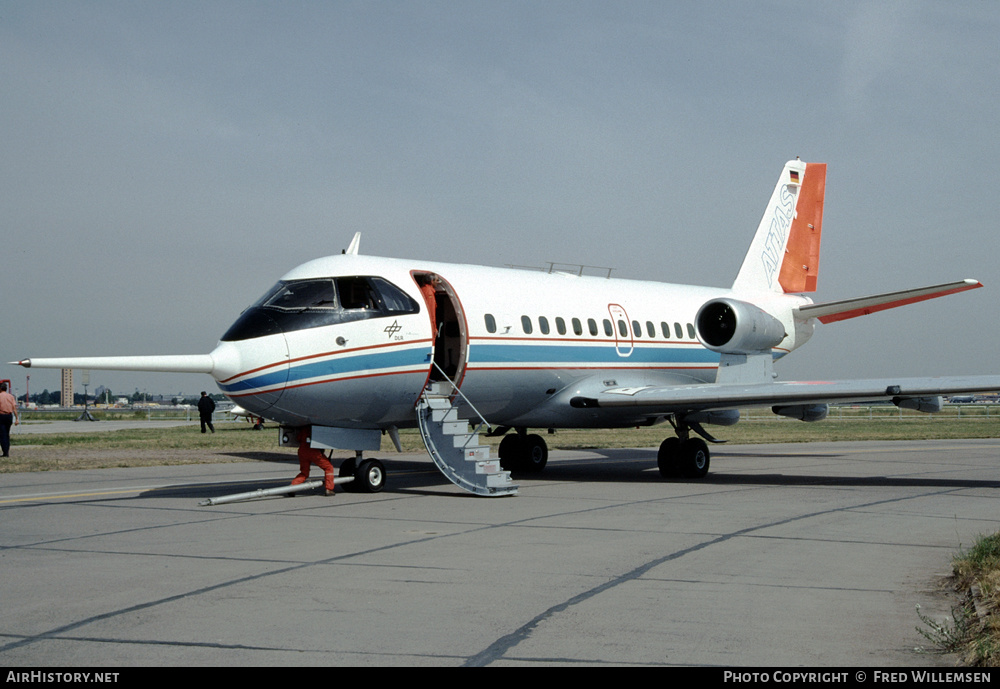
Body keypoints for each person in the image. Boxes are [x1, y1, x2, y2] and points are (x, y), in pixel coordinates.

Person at [291, 426, 336, 496]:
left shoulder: (305, 428)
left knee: (304, 473)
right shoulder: (318, 428)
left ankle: (293, 486)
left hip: (302, 451)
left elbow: (298, 438)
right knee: (328, 468)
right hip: (313, 451)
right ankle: (329, 489)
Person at [0, 382, 19, 458]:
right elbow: (14, 408)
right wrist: (17, 418)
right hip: (9, 416)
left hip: (1, 415)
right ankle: (6, 450)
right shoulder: (11, 396)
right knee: (7, 434)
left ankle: (5, 452)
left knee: (2, 434)